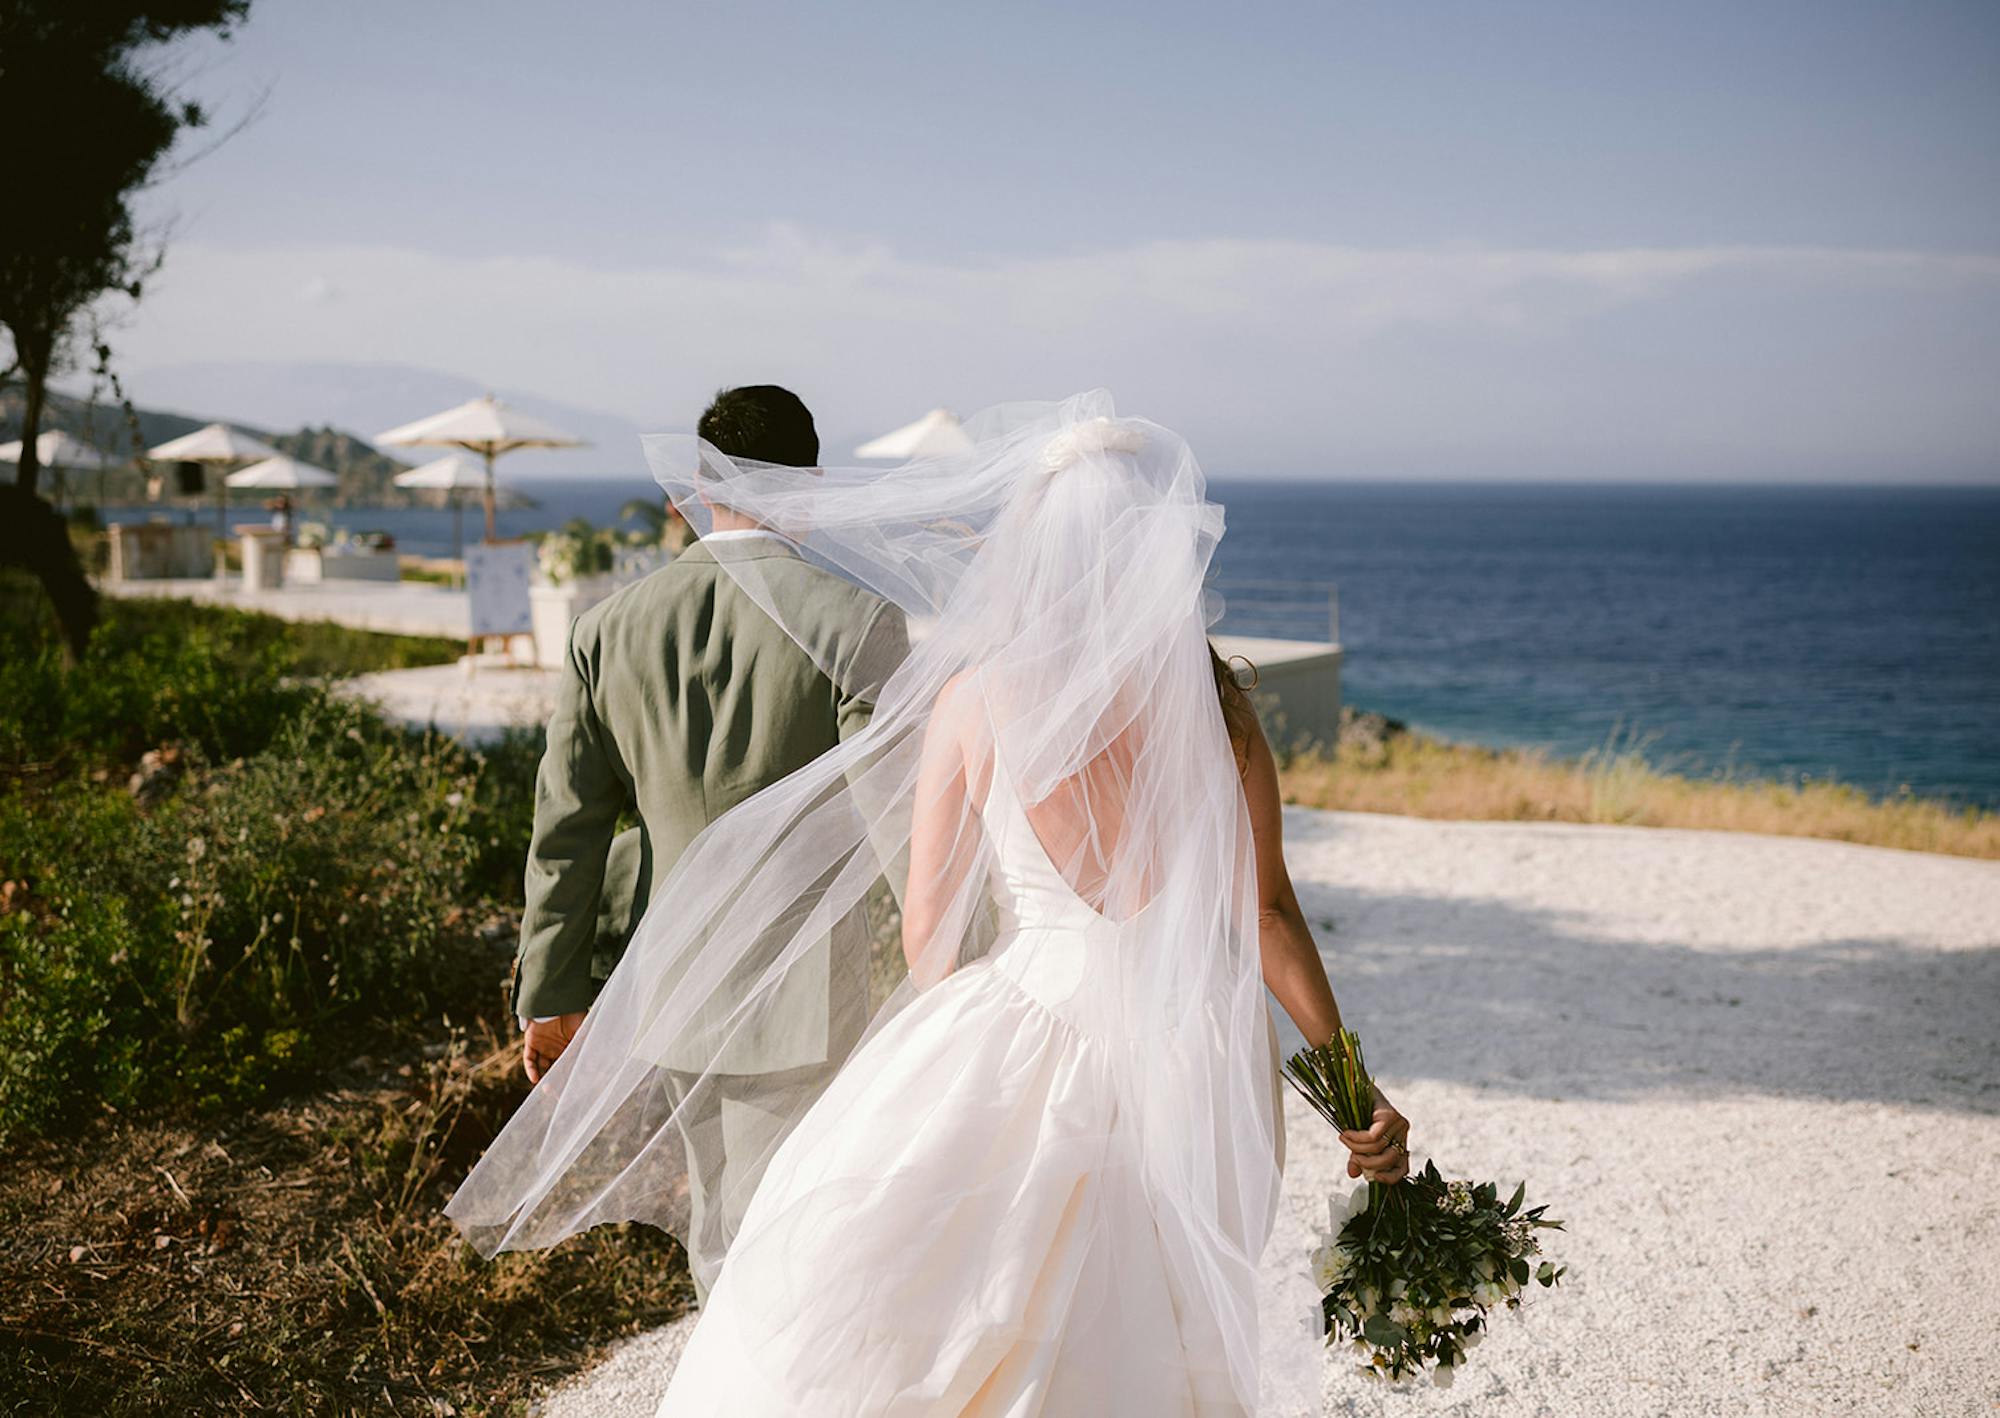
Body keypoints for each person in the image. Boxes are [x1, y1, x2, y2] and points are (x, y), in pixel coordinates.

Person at [446, 392, 1409, 1414]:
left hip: (1020, 1021)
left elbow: (928, 934)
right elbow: (1262, 917)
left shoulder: (974, 697)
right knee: (1156, 1318)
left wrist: (948, 1038)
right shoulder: (1221, 715)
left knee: (938, 1300)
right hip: (1190, 1055)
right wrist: (1355, 1089)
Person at [503, 384, 908, 1301]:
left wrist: (552, 996)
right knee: (797, 1235)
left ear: (697, 483)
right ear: (810, 488)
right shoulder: (858, 623)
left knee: (722, 1236)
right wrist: (963, 969)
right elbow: (905, 822)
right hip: (816, 985)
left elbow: (564, 831)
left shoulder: (607, 629)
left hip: (673, 983)